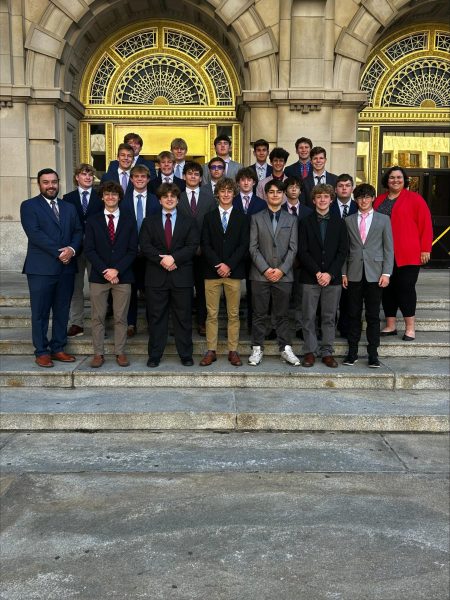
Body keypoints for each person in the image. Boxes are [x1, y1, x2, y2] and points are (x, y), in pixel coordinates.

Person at [20, 168, 83, 367]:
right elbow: (35, 234)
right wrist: (60, 252)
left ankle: (58, 348)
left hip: (66, 268)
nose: (50, 186)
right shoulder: (29, 206)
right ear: (39, 184)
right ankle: (41, 351)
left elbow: (78, 231)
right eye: (46, 182)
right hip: (41, 269)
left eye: (54, 182)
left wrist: (72, 249)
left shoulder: (69, 207)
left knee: (62, 310)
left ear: (59, 183)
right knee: (40, 312)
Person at [139, 182, 199, 367]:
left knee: (183, 318)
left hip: (181, 276)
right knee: (157, 318)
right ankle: (155, 355)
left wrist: (174, 258)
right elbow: (145, 245)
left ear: (178, 199)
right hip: (156, 277)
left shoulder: (188, 221)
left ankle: (186, 355)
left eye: (173, 196)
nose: (169, 199)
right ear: (159, 200)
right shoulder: (149, 221)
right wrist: (162, 260)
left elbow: (192, 245)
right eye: (165, 196)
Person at [374, 166, 433, 341]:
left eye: (399, 177)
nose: (395, 180)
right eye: (392, 177)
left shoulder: (415, 199)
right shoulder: (379, 200)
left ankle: (410, 328)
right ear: (387, 180)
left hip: (408, 253)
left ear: (404, 180)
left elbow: (425, 224)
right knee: (387, 290)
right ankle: (390, 325)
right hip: (383, 254)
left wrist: (425, 248)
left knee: (405, 289)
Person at [84, 180, 138, 368]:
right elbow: (89, 250)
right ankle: (98, 353)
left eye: (114, 194)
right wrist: (106, 271)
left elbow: (132, 250)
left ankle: (120, 352)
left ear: (119, 197)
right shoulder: (93, 221)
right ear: (102, 197)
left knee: (120, 317)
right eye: (107, 194)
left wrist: (117, 270)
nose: (110, 197)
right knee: (97, 317)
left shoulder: (129, 219)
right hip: (99, 277)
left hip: (123, 276)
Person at [248, 179, 300, 367]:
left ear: (284, 194)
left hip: (284, 275)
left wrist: (281, 270)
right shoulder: (256, 218)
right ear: (266, 194)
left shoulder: (292, 219)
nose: (275, 195)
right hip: (260, 274)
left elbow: (293, 249)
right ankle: (257, 348)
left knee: (282, 314)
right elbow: (252, 247)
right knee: (259, 313)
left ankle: (285, 348)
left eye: (279, 192)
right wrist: (266, 269)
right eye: (271, 192)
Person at [342, 184, 394, 368]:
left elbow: (389, 249)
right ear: (355, 200)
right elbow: (344, 249)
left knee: (372, 316)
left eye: (366, 197)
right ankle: (352, 352)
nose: (363, 201)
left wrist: (386, 273)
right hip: (354, 273)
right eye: (360, 198)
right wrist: (343, 272)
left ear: (373, 198)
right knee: (353, 314)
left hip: (376, 274)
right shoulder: (348, 220)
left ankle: (373, 354)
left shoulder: (383, 219)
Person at [200, 177, 249, 367]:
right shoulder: (209, 217)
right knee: (211, 314)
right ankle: (211, 350)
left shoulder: (242, 217)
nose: (226, 194)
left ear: (234, 194)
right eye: (223, 191)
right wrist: (218, 265)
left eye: (229, 191)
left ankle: (232, 350)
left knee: (233, 314)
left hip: (233, 272)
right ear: (217, 194)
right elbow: (205, 244)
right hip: (212, 272)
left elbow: (244, 244)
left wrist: (228, 265)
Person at [298, 183, 348, 368]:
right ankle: (310, 352)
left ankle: (327, 352)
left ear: (331, 200)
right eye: (319, 197)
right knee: (308, 316)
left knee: (329, 317)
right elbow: (302, 251)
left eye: (326, 197)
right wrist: (318, 272)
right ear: (313, 200)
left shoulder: (339, 222)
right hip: (310, 277)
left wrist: (330, 273)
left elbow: (342, 252)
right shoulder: (304, 222)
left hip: (332, 279)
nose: (322, 200)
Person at [63, 163, 103, 338]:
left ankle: (98, 325)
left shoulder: (100, 197)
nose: (87, 177)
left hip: (96, 250)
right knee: (75, 288)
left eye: (90, 175)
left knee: (97, 289)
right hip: (75, 250)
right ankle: (77, 323)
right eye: (83, 174)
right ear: (77, 177)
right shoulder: (67, 198)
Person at [178, 161, 216, 336]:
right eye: (189, 173)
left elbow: (211, 226)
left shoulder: (209, 198)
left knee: (203, 290)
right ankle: (182, 324)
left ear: (201, 178)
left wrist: (203, 246)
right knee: (183, 290)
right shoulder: (176, 196)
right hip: (181, 252)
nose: (193, 177)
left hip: (203, 253)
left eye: (196, 174)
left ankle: (202, 322)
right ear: (184, 176)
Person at [121, 164, 160, 336]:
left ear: (148, 179)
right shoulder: (123, 200)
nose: (139, 179)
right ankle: (130, 324)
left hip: (150, 253)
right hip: (129, 252)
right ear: (131, 179)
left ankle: (153, 323)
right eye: (136, 176)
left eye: (143, 176)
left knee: (151, 290)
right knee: (130, 289)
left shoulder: (155, 200)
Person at [233, 167, 266, 333]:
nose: (246, 183)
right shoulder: (231, 201)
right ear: (238, 183)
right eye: (243, 180)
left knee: (255, 292)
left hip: (256, 253)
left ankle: (253, 324)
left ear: (254, 182)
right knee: (234, 291)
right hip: (236, 253)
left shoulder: (261, 204)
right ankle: (234, 324)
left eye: (249, 180)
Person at [282, 176, 313, 340]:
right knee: (283, 296)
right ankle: (280, 326)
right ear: (285, 190)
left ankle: (301, 327)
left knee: (301, 296)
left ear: (301, 191)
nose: (293, 189)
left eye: (296, 187)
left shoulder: (309, 211)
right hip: (283, 260)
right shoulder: (278, 209)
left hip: (303, 262)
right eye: (290, 186)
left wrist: (302, 257)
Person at [331, 173, 358, 338]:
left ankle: (346, 327)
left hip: (354, 257)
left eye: (347, 185)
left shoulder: (359, 206)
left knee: (349, 297)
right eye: (341, 186)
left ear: (352, 188)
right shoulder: (328, 205)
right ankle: (328, 327)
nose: (344, 188)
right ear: (335, 189)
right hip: (332, 258)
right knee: (330, 297)